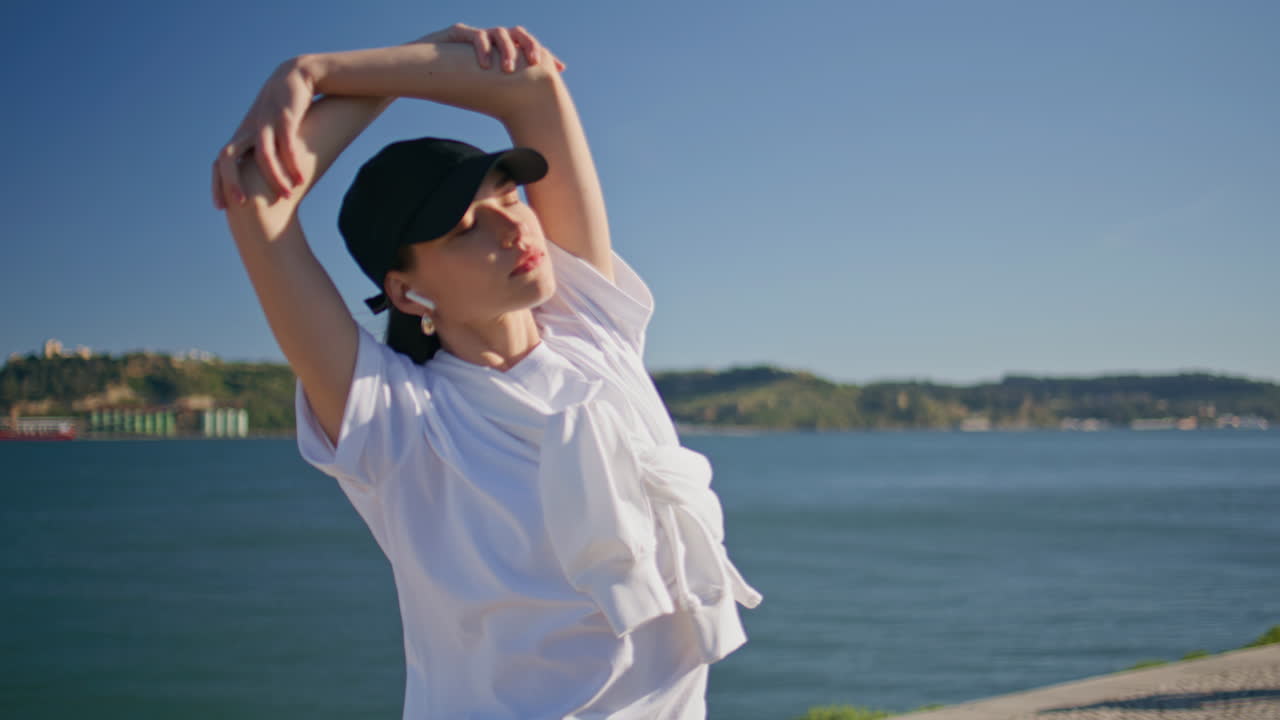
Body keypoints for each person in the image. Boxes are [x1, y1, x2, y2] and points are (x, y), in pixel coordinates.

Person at [212, 23, 761, 719]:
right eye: (461, 227)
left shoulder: (594, 329)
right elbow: (258, 197)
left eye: (506, 195)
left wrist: (322, 66)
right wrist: (327, 84)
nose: (511, 228)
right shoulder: (398, 422)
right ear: (408, 293)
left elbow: (531, 85)